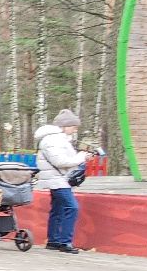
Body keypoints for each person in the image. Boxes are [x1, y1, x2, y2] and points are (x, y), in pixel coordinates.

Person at [33, 109, 99, 254]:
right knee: (72, 207)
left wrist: (82, 157)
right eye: (74, 126)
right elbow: (61, 161)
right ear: (65, 126)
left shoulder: (55, 139)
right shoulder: (53, 140)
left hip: (57, 179)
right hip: (58, 180)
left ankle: (54, 240)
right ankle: (65, 242)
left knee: (58, 209)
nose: (75, 129)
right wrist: (81, 157)